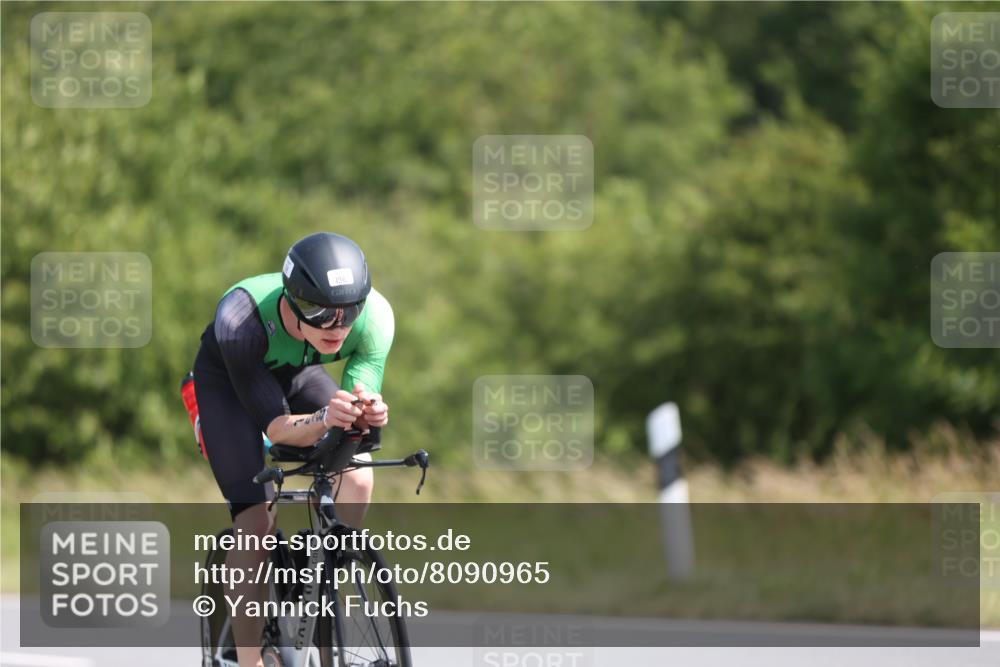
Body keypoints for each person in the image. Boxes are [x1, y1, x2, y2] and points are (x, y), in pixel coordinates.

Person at [186, 232, 394, 667]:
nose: (337, 327)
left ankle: (324, 584)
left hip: (297, 374)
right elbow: (278, 428)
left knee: (357, 476)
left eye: (347, 313)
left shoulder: (375, 316)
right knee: (256, 523)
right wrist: (323, 420)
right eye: (320, 313)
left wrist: (367, 411)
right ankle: (250, 659)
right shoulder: (240, 318)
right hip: (231, 387)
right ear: (291, 299)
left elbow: (361, 389)